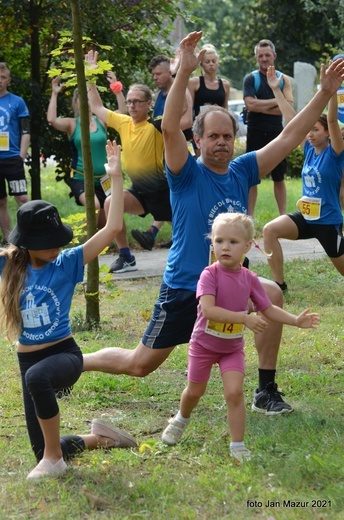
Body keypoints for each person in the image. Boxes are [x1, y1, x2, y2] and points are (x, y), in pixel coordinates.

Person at [82, 32, 344, 416]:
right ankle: (75, 362)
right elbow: (170, 127)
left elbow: (290, 136)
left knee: (270, 294)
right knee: (139, 364)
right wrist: (184, 70)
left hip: (232, 285)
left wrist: (325, 93)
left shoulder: (242, 169)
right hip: (185, 288)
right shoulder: (184, 173)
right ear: (198, 140)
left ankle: (265, 391)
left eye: (227, 136)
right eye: (213, 137)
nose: (222, 142)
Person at [0, 140, 137, 480]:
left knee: (38, 379)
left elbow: (112, 227)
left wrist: (116, 177)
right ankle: (99, 438)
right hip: (27, 358)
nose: (59, 243)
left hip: (64, 354)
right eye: (50, 239)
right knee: (41, 446)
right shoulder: (8, 266)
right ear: (28, 242)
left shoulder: (66, 263)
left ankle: (55, 462)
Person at [161, 213, 319, 462]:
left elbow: (267, 308)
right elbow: (209, 310)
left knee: (234, 393)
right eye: (219, 240)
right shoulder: (209, 275)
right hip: (203, 345)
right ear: (211, 243)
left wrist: (295, 320)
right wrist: (244, 318)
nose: (225, 247)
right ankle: (182, 418)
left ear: (247, 246)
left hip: (231, 349)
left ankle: (238, 445)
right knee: (194, 391)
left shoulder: (249, 279)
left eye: (233, 242)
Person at [86, 50, 171, 273]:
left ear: (148, 104)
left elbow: (179, 111)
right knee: (109, 202)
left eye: (137, 102)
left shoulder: (156, 126)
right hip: (139, 192)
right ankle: (126, 257)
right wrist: (91, 78)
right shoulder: (123, 123)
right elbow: (96, 107)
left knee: (192, 230)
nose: (131, 106)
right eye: (129, 101)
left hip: (162, 191)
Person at [263, 66, 344, 291]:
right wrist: (276, 90)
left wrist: (330, 92)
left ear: (326, 132)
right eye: (309, 131)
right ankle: (279, 285)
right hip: (306, 219)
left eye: (315, 130)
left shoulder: (336, 153)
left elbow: (332, 122)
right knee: (270, 230)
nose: (310, 133)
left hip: (328, 223)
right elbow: (292, 123)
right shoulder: (308, 150)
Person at [130, 54, 193, 251]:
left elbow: (187, 122)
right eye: (153, 74)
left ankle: (162, 235)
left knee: (175, 195)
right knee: (167, 196)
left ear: (169, 72)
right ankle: (173, 238)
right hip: (161, 152)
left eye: (158, 74)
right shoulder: (158, 96)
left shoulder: (182, 91)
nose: (155, 78)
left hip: (181, 149)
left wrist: (163, 129)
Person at [47, 77, 109, 229]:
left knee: (105, 221)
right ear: (75, 102)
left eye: (89, 99)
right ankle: (82, 246)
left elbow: (122, 113)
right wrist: (54, 94)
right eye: (82, 99)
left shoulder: (102, 120)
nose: (86, 103)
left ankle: (114, 250)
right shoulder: (72, 123)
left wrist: (117, 90)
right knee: (93, 206)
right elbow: (52, 119)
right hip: (80, 177)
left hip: (105, 179)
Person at [243, 39, 293, 217]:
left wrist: (260, 106)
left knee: (279, 177)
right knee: (251, 178)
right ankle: (249, 216)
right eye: (260, 56)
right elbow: (249, 105)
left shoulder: (283, 79)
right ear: (256, 57)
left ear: (274, 56)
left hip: (276, 133)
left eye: (267, 55)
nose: (264, 59)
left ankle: (283, 215)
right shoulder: (251, 79)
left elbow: (288, 108)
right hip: (255, 132)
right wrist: (277, 102)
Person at [0, 62, 30, 243]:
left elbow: (25, 131)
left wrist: (21, 155)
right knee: (0, 201)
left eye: (3, 77)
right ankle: (8, 240)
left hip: (13, 158)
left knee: (22, 198)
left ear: (9, 80)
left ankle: (28, 235)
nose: (0, 81)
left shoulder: (17, 102)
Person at [188, 44, 230, 157]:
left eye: (213, 61)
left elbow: (225, 109)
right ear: (201, 64)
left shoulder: (225, 84)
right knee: (201, 159)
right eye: (207, 62)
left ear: (218, 63)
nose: (211, 64)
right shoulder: (194, 83)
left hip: (218, 128)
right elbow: (188, 109)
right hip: (200, 128)